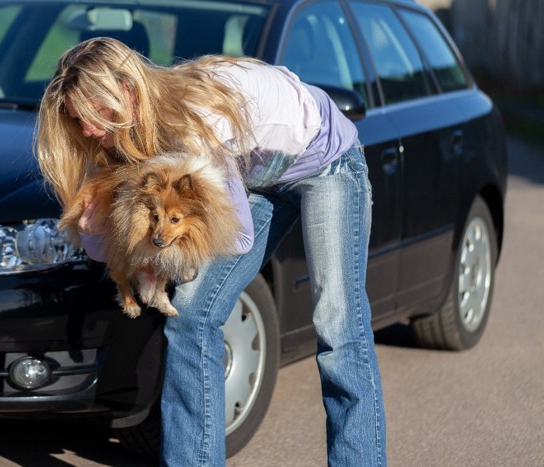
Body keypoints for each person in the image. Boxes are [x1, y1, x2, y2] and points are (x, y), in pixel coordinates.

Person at [35, 37, 386, 467]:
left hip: (326, 162)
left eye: (92, 116)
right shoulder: (126, 133)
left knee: (338, 327)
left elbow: (235, 238)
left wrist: (157, 248)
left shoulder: (192, 124)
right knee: (191, 318)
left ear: (125, 91)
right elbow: (120, 245)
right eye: (77, 120)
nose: (86, 130)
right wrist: (96, 230)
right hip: (255, 175)